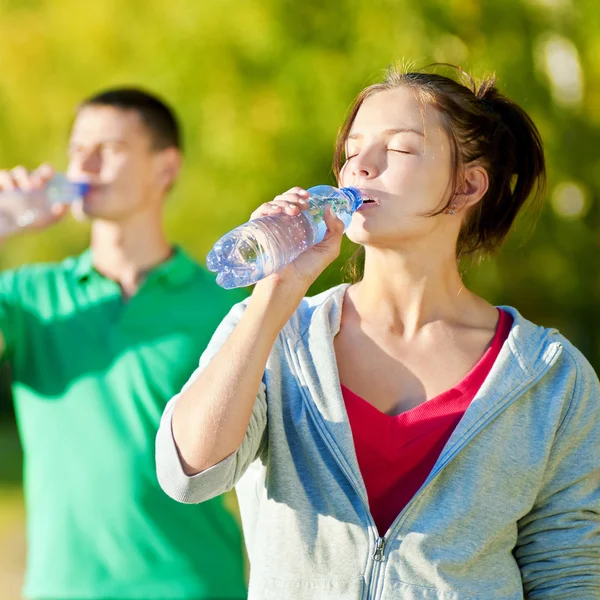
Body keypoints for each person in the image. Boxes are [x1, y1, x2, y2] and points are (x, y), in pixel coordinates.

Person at [156, 65, 600, 600]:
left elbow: (569, 573)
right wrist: (273, 296)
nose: (360, 168)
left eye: (401, 150)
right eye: (352, 150)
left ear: (467, 185)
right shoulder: (276, 331)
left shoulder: (549, 376)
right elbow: (190, 475)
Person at [0, 88, 247, 600]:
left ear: (165, 168)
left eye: (108, 148)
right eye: (76, 149)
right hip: (60, 589)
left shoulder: (228, 309)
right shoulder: (25, 296)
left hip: (193, 586)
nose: (84, 163)